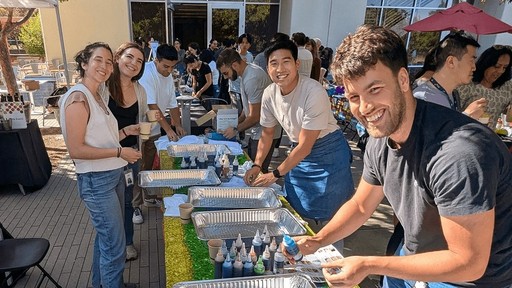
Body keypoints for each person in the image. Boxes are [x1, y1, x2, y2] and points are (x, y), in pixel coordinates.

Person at [289, 25, 512, 288]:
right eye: (354, 96)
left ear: (403, 80)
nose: (364, 107)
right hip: (411, 257)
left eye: (375, 89)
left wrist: (369, 264)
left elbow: (468, 262)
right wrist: (318, 240)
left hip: (469, 280)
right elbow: (361, 206)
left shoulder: (460, 152)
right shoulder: (380, 138)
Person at [243, 39, 354, 228]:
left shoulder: (314, 91)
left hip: (328, 153)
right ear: (268, 67)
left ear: (296, 64)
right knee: (296, 208)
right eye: (274, 63)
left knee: (332, 218)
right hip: (299, 153)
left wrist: (275, 174)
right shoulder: (269, 93)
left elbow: (306, 145)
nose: (280, 69)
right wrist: (257, 164)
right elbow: (267, 133)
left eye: (286, 62)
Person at [59, 42, 142, 288]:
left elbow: (99, 137)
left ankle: (104, 284)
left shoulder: (98, 94)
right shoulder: (77, 98)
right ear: (84, 63)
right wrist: (120, 152)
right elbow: (77, 150)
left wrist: (126, 130)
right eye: (98, 60)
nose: (104, 66)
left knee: (106, 240)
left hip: (112, 175)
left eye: (108, 61)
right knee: (115, 247)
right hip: (97, 182)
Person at [107, 42, 159, 261]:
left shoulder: (140, 90)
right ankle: (113, 246)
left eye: (139, 60)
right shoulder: (103, 87)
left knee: (128, 202)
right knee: (110, 207)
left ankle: (128, 243)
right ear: (118, 57)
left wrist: (150, 122)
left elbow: (144, 123)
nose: (134, 63)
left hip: (130, 155)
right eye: (129, 57)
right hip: (106, 155)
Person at [136, 44, 186, 219]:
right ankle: (136, 205)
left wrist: (177, 125)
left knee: (148, 165)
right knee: (138, 167)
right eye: (165, 66)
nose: (169, 70)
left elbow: (172, 104)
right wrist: (168, 129)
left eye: (173, 67)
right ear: (156, 60)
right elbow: (152, 106)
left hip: (155, 128)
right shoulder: (147, 74)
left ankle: (148, 197)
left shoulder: (168, 76)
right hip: (140, 128)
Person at [217, 48, 282, 172]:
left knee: (257, 171)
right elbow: (247, 110)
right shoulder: (247, 72)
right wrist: (233, 123)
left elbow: (254, 116)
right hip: (260, 130)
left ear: (234, 65)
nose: (225, 78)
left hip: (265, 132)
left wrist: (235, 130)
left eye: (226, 73)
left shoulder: (251, 78)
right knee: (253, 168)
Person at [413, 31, 487, 119]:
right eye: (471, 60)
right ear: (451, 62)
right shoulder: (423, 98)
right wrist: (467, 116)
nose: (474, 67)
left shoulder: (453, 94)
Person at [457, 45, 512, 128]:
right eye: (497, 66)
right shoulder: (467, 84)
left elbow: (509, 118)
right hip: (465, 134)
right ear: (486, 63)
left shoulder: (506, 87)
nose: (500, 71)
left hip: (488, 139)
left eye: (505, 67)